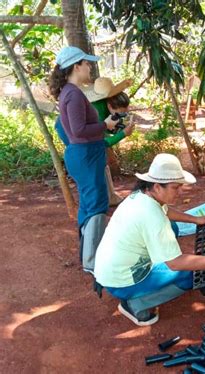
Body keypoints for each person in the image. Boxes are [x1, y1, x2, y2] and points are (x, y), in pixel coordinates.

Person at [94, 154, 205, 326]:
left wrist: (195, 220)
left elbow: (165, 212)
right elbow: (175, 263)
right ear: (157, 186)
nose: (181, 192)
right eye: (176, 188)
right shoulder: (151, 216)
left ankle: (140, 291)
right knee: (192, 274)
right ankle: (135, 304)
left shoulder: (141, 196)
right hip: (122, 281)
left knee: (173, 227)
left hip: (110, 270)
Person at [48, 46, 119, 274]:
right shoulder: (74, 94)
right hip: (86, 155)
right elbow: (78, 130)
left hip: (83, 155)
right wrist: (105, 125)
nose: (90, 67)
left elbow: (62, 126)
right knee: (97, 204)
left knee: (89, 204)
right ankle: (92, 261)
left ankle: (87, 254)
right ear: (76, 66)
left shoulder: (68, 92)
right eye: (87, 63)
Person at [54, 77, 135, 205]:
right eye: (119, 114)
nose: (120, 117)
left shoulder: (105, 103)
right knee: (93, 163)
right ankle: (95, 202)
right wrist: (123, 134)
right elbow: (101, 142)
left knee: (101, 162)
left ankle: (109, 197)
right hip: (68, 132)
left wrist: (117, 129)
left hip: (79, 131)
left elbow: (105, 128)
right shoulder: (95, 110)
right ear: (109, 105)